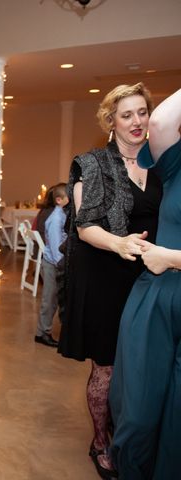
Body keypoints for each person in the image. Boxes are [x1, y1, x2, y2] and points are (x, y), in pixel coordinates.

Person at [58, 83, 162, 479]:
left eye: (142, 112)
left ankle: (134, 434)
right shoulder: (93, 163)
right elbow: (85, 226)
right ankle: (101, 441)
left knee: (143, 364)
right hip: (105, 275)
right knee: (107, 367)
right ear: (111, 122)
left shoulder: (163, 163)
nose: (137, 121)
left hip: (151, 277)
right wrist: (120, 244)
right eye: (126, 115)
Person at [110, 87, 181, 480]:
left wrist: (170, 257)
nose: (136, 121)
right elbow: (162, 121)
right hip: (158, 295)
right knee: (136, 410)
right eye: (126, 114)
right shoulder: (175, 164)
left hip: (165, 271)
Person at [34, 183, 68, 347]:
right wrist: (62, 265)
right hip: (52, 265)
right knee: (49, 300)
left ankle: (45, 330)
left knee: (54, 299)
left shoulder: (62, 215)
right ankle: (42, 333)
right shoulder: (56, 219)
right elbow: (55, 248)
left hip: (55, 263)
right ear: (60, 200)